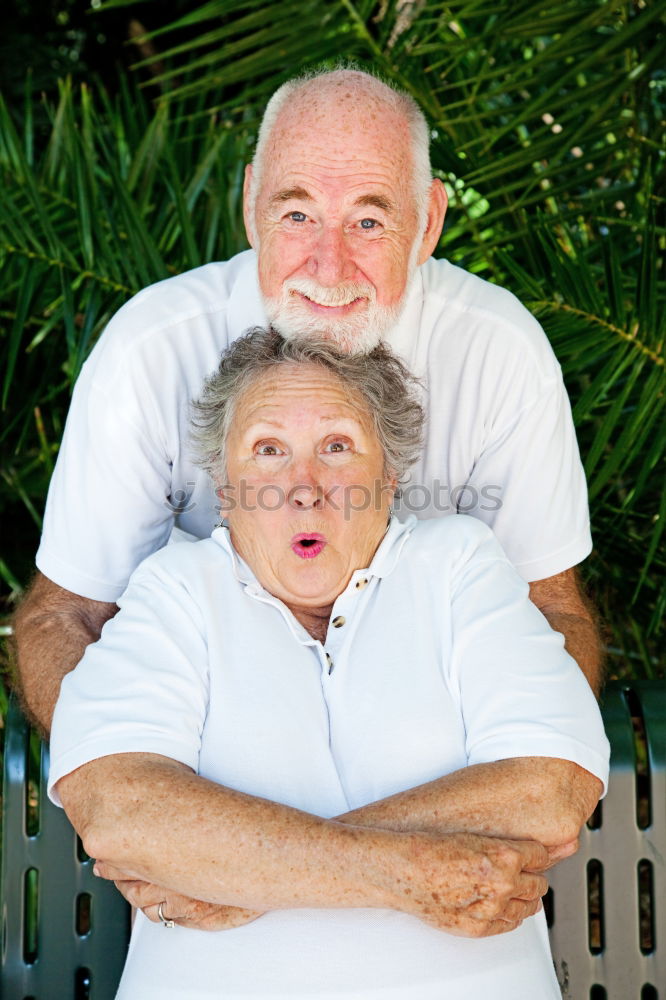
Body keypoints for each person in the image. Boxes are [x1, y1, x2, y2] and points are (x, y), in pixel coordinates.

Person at [15, 68, 601, 736]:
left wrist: (518, 772)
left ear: (429, 222)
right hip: (204, 757)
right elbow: (69, 615)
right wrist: (128, 788)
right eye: (297, 215)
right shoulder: (150, 349)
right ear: (248, 205)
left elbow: (551, 615)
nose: (329, 265)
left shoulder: (500, 352)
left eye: (369, 220)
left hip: (434, 752)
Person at [49, 329, 609, 1000]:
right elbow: (120, 811)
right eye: (268, 451)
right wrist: (406, 872)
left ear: (390, 478)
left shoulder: (460, 565)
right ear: (225, 490)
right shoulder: (175, 590)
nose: (303, 487)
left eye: (337, 447)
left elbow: (548, 792)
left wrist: (235, 868)